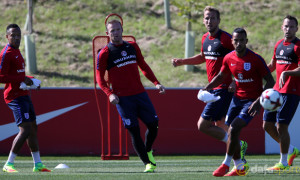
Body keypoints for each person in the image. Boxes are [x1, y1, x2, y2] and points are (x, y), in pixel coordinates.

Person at [172, 6, 248, 162]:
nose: (209, 21)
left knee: (203, 125)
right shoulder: (205, 38)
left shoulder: (227, 39)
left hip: (223, 88)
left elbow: (240, 58)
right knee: (220, 123)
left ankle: (237, 145)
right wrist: (182, 62)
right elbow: (202, 57)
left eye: (213, 18)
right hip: (213, 88)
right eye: (207, 18)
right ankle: (238, 153)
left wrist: (235, 80)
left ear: (218, 20)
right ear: (203, 20)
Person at [96, 19, 166, 173]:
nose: (115, 33)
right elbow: (99, 78)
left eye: (118, 29)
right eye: (112, 30)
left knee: (154, 125)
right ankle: (147, 163)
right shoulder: (104, 53)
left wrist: (156, 82)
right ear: (107, 34)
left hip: (140, 94)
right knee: (134, 131)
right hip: (123, 99)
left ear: (122, 30)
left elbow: (144, 66)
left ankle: (148, 150)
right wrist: (109, 94)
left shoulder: (132, 46)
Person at [204, 28, 275, 176]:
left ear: (246, 41)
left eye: (242, 40)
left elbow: (270, 81)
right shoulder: (228, 58)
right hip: (236, 100)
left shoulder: (256, 59)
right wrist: (207, 87)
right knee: (230, 133)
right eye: (236, 40)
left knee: (234, 129)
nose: (239, 43)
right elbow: (221, 75)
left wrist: (258, 102)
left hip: (251, 102)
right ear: (232, 42)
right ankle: (240, 167)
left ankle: (225, 164)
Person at [0, 24, 51, 173]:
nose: (16, 38)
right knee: (25, 130)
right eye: (13, 35)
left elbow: (18, 74)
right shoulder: (6, 53)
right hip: (14, 97)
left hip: (24, 95)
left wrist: (31, 80)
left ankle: (38, 164)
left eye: (18, 35)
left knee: (33, 128)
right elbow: (1, 77)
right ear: (7, 37)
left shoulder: (16, 51)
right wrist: (23, 78)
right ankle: (8, 163)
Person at [263, 15, 300, 171]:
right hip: (276, 93)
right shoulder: (278, 44)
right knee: (267, 125)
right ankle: (291, 150)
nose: (288, 29)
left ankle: (283, 162)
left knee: (281, 126)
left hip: (291, 92)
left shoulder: (298, 46)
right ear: (282, 27)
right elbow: (272, 64)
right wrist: (259, 73)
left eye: (291, 27)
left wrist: (287, 73)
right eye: (286, 26)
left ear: (296, 29)